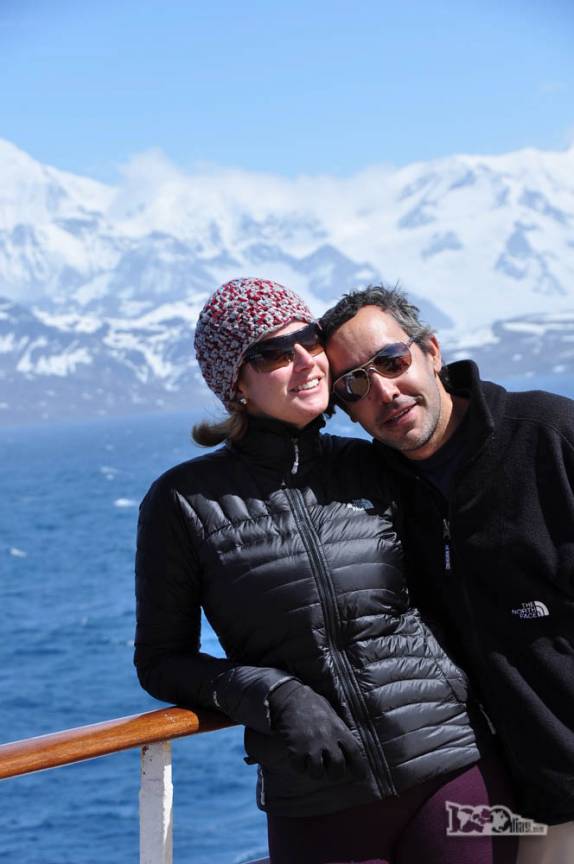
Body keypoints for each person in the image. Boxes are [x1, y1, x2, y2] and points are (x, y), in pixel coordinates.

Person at [134, 277, 517, 864]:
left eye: (308, 341)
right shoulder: (184, 503)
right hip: (318, 797)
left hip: (453, 765)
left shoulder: (379, 467)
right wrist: (272, 693)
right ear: (234, 383)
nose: (305, 362)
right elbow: (161, 660)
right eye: (272, 353)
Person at [320, 285, 574, 864]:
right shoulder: (377, 494)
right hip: (523, 808)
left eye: (391, 361)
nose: (383, 390)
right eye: (355, 385)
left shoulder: (550, 437)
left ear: (432, 351)